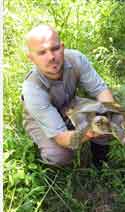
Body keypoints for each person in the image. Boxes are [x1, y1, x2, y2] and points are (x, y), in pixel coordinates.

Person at [22, 24, 116, 168]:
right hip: (39, 117)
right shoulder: (32, 89)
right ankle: (42, 150)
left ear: (63, 47)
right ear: (31, 58)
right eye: (42, 53)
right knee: (60, 155)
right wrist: (91, 132)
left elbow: (100, 90)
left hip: (69, 104)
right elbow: (61, 138)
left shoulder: (76, 59)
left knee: (107, 113)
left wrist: (112, 114)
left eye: (55, 48)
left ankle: (101, 162)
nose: (51, 57)